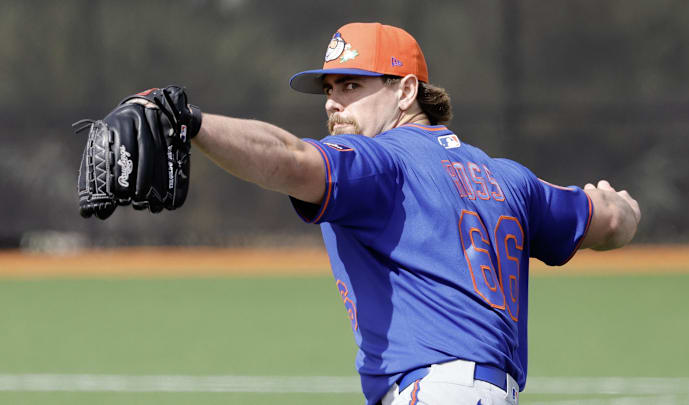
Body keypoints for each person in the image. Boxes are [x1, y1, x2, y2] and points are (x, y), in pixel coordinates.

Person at [156, 22, 642, 405]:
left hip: (431, 390)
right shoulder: (509, 179)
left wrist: (189, 122)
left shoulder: (381, 161)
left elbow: (290, 159)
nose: (332, 103)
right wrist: (619, 202)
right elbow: (613, 222)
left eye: (350, 84)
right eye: (329, 89)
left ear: (406, 90)